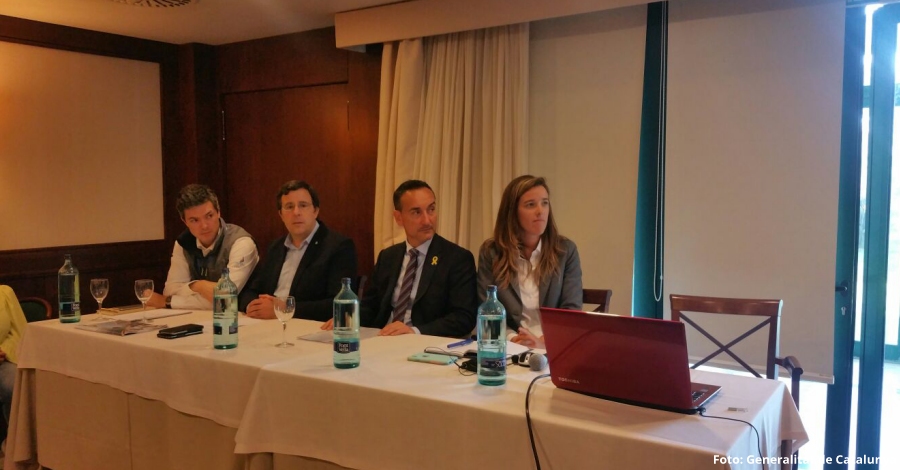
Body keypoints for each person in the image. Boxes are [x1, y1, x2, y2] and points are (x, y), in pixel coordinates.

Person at [324, 180, 477, 337]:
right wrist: (349, 318)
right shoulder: (388, 257)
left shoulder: (457, 258)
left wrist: (414, 331)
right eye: (416, 212)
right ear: (398, 218)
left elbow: (464, 317)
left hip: (423, 341)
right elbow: (371, 306)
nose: (427, 220)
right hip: (384, 337)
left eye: (431, 209)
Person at [477, 175, 583, 348]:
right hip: (508, 346)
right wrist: (513, 339)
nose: (540, 211)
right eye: (530, 205)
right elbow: (487, 310)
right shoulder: (492, 252)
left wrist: (542, 343)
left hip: (553, 347)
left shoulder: (565, 251)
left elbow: (571, 313)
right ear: (512, 212)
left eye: (545, 203)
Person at [238, 180, 357, 321]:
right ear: (281, 215)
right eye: (289, 207)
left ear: (315, 211)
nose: (296, 212)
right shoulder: (275, 247)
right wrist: (251, 306)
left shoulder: (339, 247)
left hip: (306, 326)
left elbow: (339, 304)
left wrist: (284, 309)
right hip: (266, 323)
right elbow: (251, 291)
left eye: (303, 205)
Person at [146, 184, 258, 310]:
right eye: (194, 220)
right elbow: (170, 290)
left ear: (218, 212)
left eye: (209, 216)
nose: (204, 226)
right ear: (184, 221)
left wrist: (168, 302)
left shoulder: (241, 242)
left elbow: (225, 298)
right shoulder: (183, 243)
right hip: (199, 316)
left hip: (240, 316)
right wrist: (197, 286)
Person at [0, 286, 27, 435]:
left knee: (17, 382)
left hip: (5, 360)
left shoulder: (4, 293)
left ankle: (18, 443)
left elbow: (20, 333)